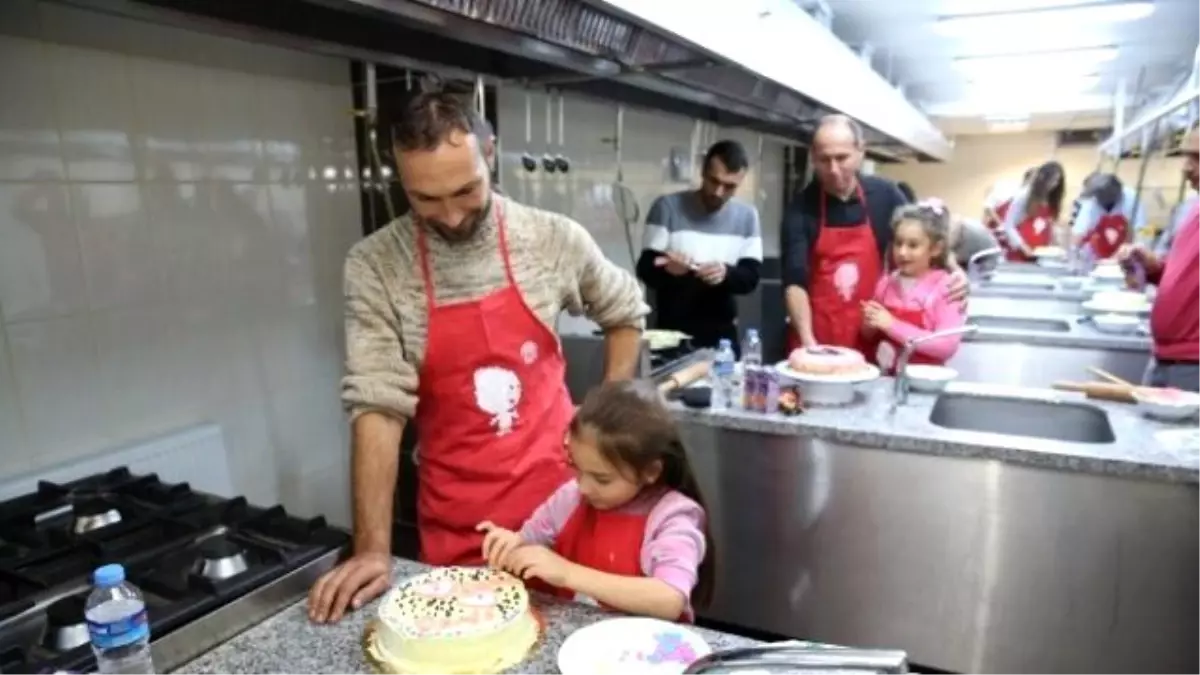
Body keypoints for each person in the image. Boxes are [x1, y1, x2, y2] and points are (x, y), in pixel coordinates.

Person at [308, 91, 648, 624]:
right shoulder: (375, 265)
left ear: (489, 153)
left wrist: (605, 418)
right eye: (425, 199)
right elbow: (377, 404)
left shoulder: (552, 238)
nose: (448, 215)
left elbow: (625, 312)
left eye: (466, 190)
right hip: (459, 526)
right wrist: (372, 548)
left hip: (567, 514)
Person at [477, 380, 714, 622]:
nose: (584, 487)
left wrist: (567, 573)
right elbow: (530, 544)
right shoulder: (570, 498)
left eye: (602, 479)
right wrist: (511, 546)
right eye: (577, 469)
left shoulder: (673, 516)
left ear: (650, 471)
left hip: (648, 650)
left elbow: (669, 599)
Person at [781, 115, 967, 353]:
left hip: (871, 337)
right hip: (819, 339)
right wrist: (809, 344)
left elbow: (925, 232)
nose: (834, 169)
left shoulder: (885, 194)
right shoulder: (800, 209)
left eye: (842, 158)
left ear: (861, 152)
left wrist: (955, 271)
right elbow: (795, 283)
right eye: (824, 160)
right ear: (813, 158)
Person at [637, 140, 762, 352]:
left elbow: (750, 278)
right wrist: (668, 269)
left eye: (730, 186)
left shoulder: (747, 217)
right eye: (714, 181)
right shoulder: (667, 208)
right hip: (671, 335)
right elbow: (646, 268)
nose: (719, 192)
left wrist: (726, 273)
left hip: (722, 337)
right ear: (703, 171)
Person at [1117, 127, 1200, 390]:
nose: (1186, 168)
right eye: (1186, 157)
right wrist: (1152, 267)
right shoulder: (1194, 210)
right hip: (1167, 358)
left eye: (1198, 158)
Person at [862, 201, 967, 374]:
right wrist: (869, 326)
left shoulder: (947, 287)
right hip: (886, 379)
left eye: (913, 245)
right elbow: (869, 336)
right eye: (898, 243)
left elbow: (946, 346)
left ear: (935, 249)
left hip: (925, 383)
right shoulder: (885, 284)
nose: (902, 252)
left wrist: (892, 325)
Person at [999, 161, 1066, 261]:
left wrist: (1057, 244)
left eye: (1057, 181)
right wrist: (1023, 246)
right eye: (1052, 180)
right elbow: (1009, 225)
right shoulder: (1025, 195)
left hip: (1041, 254)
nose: (1054, 185)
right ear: (1042, 178)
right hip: (1021, 252)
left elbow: (1050, 225)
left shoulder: (1051, 199)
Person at [1071, 173, 1145, 260]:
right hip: (1097, 256)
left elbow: (1141, 230)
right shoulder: (1092, 201)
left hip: (1125, 255)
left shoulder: (1131, 199)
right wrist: (1074, 253)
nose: (1098, 199)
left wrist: (1135, 251)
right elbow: (1079, 232)